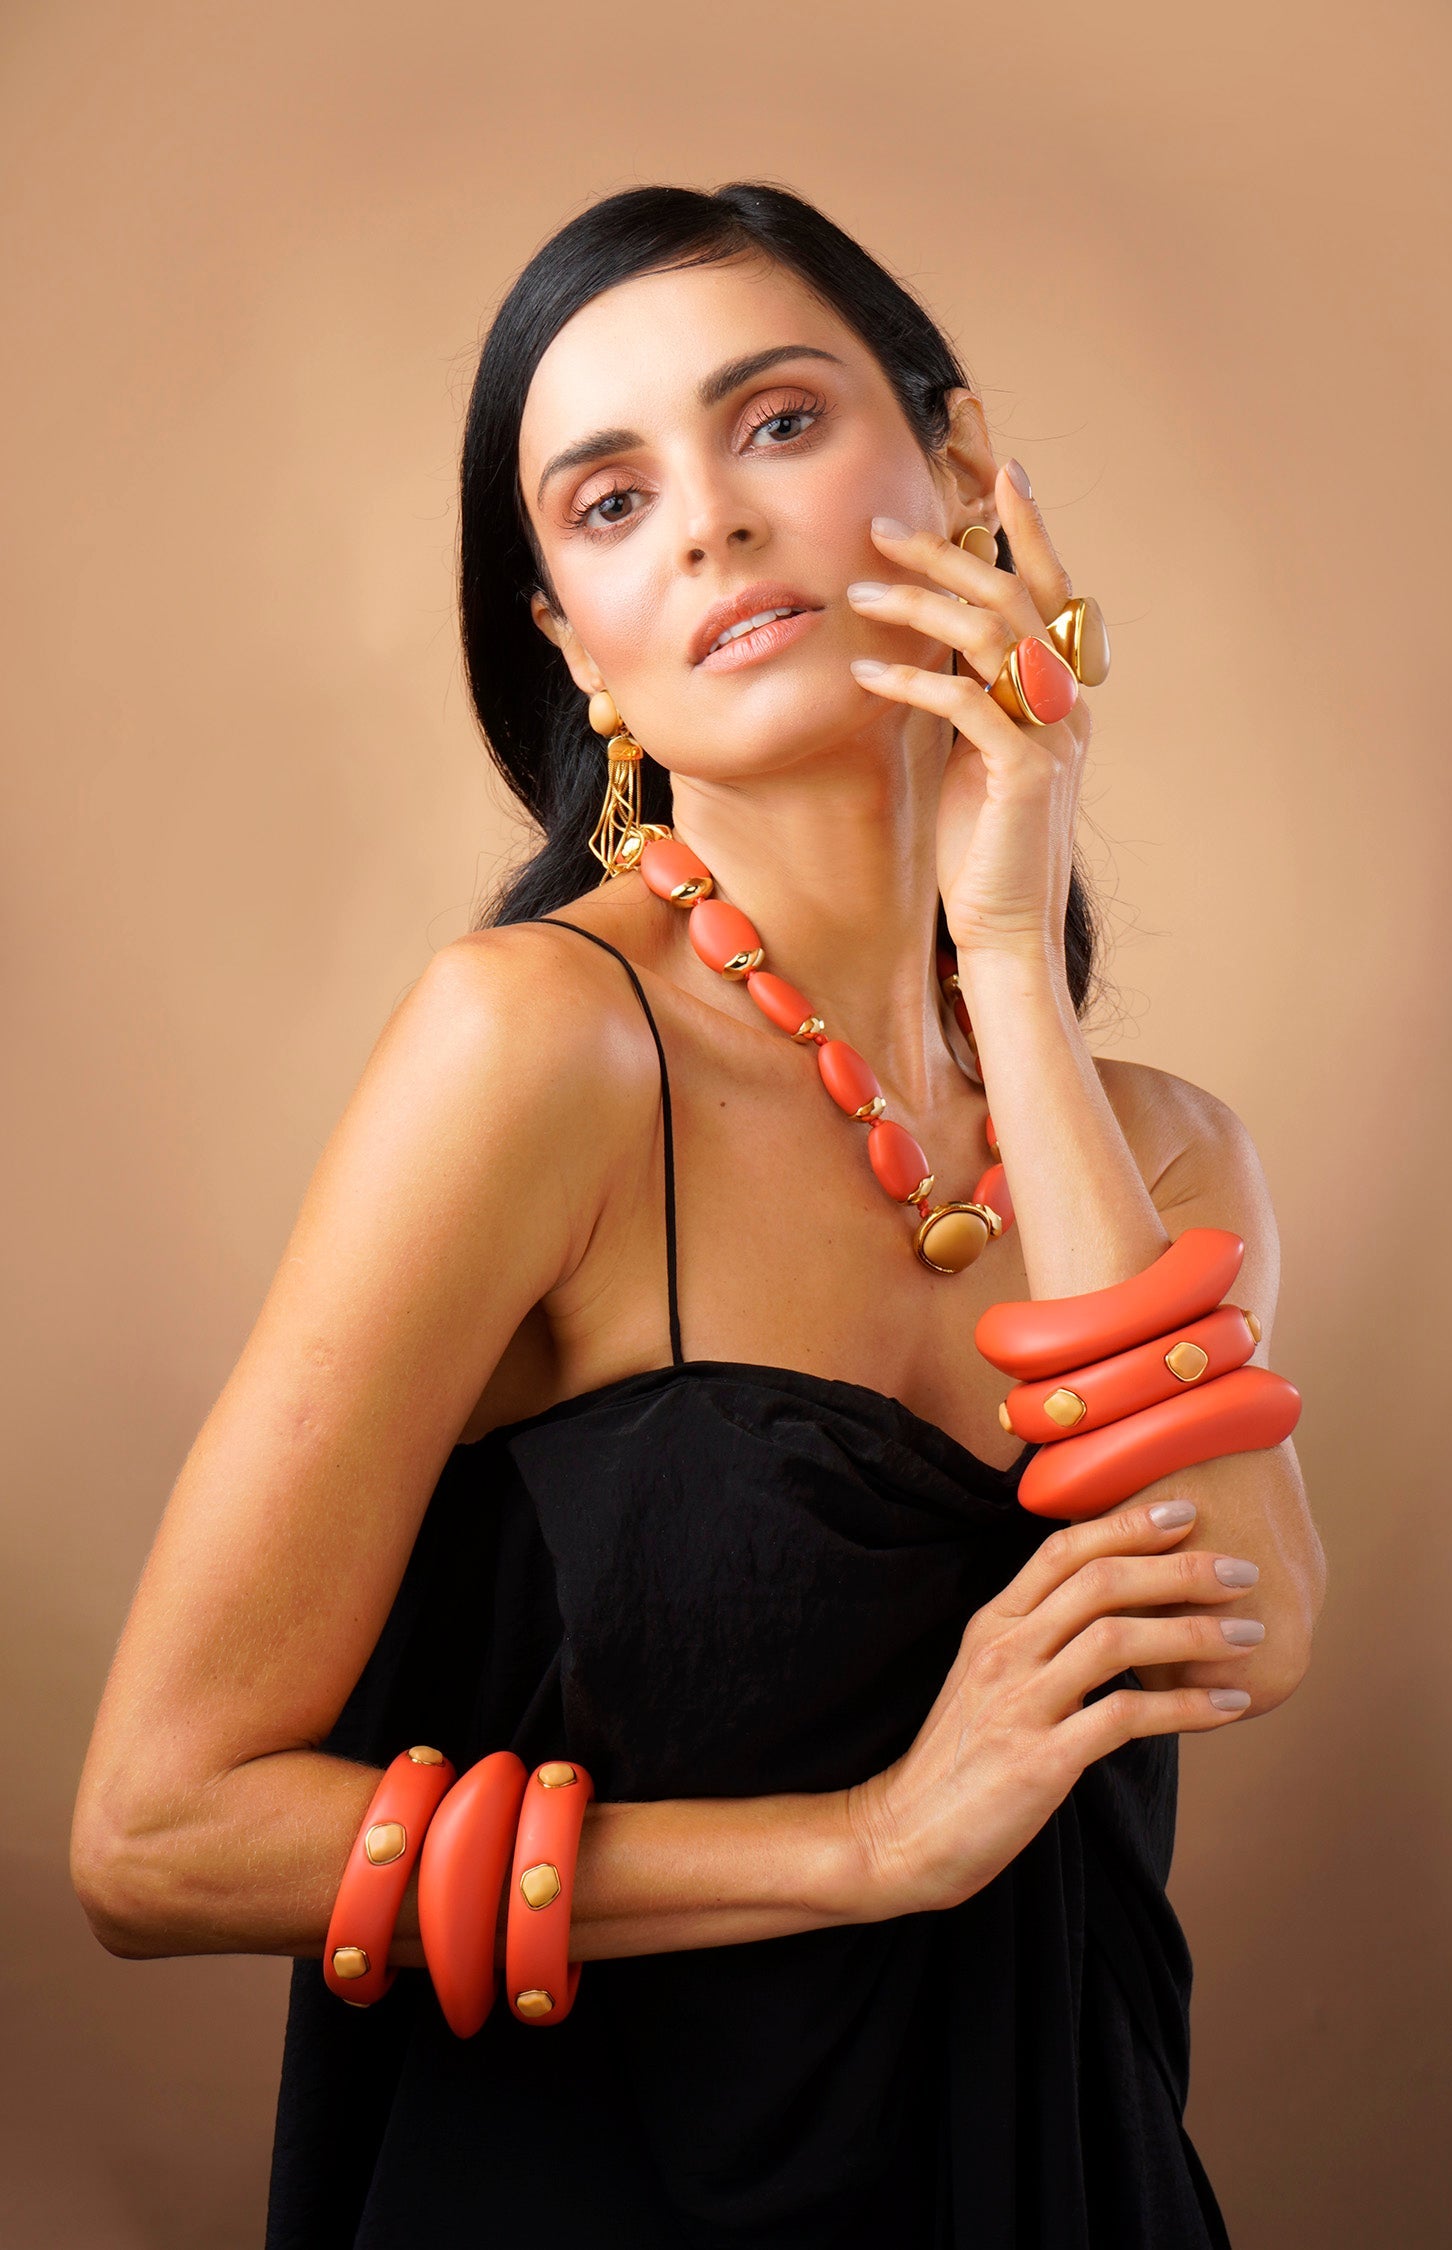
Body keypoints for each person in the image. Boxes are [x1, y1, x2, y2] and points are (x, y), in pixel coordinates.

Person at [71, 182, 1325, 2248]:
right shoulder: (538, 1045)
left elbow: (1245, 1623)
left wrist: (1010, 956)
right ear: (574, 643)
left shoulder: (1162, 1147)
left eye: (777, 425)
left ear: (965, 470)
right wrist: (870, 1844)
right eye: (611, 501)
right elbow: (154, 1832)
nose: (714, 528)